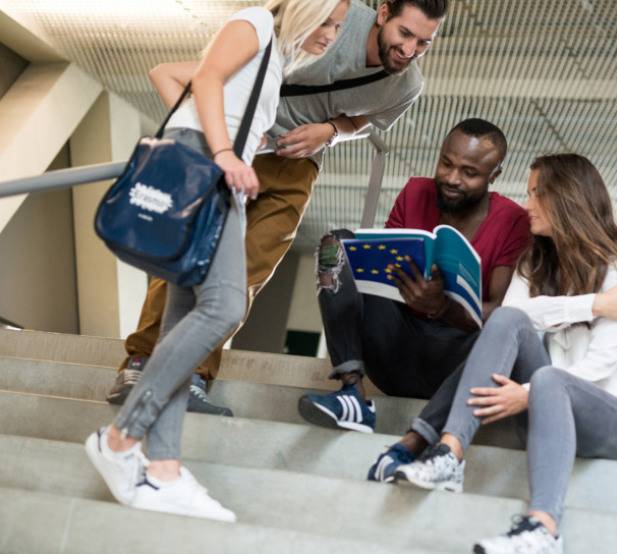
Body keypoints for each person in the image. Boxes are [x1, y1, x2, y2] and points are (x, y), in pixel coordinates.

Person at [106, 0, 448, 417]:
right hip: (241, 146)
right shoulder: (329, 15)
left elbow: (367, 121)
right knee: (190, 253)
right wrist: (226, 141)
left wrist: (331, 132)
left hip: (297, 166)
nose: (410, 50)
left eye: (424, 43)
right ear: (382, 12)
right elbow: (233, 66)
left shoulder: (407, 85)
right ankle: (141, 361)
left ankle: (193, 373)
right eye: (405, 34)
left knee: (247, 272)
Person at [84, 0, 349, 521]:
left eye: (339, 28)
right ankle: (119, 440)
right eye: (327, 21)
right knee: (225, 305)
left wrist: (227, 140)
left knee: (183, 320)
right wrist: (222, 150)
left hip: (215, 165)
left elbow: (183, 82)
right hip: (213, 170)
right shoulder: (254, 23)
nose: (332, 35)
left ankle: (161, 467)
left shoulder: (275, 58)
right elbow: (204, 78)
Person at [382, 153, 617, 553]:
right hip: (550, 409)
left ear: (566, 198)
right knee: (507, 321)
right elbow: (514, 315)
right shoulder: (534, 262)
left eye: (535, 194)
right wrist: (591, 306)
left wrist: (527, 392)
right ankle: (449, 453)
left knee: (549, 378)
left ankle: (543, 529)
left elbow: (600, 366)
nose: (526, 205)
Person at [298, 118, 531, 434]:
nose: (452, 178)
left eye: (469, 173)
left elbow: (503, 314)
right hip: (395, 349)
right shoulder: (414, 193)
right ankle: (352, 393)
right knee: (335, 246)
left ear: (494, 176)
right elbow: (381, 272)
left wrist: (443, 307)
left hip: (454, 365)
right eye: (446, 163)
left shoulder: (512, 221)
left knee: (503, 326)